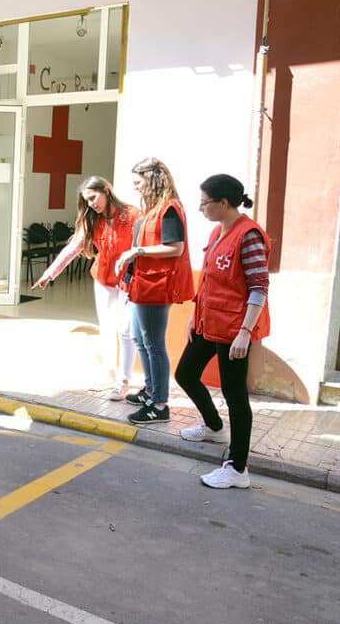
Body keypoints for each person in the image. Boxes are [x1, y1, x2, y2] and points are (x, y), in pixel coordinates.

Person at [175, 175, 269, 489]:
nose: (200, 208)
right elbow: (211, 281)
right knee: (186, 373)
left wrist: (245, 332)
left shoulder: (249, 235)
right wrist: (194, 313)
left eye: (205, 203)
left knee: (235, 396)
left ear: (223, 203)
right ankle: (214, 426)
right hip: (208, 322)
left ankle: (237, 468)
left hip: (233, 329)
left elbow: (258, 288)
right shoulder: (218, 231)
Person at [33, 176, 141, 400]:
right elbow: (73, 247)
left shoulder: (132, 215)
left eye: (94, 197)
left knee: (126, 330)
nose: (91, 203)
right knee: (107, 327)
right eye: (87, 200)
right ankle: (110, 374)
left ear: (106, 191)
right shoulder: (91, 219)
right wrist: (50, 273)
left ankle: (124, 380)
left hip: (127, 279)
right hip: (102, 277)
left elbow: (142, 246)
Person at [114, 157, 195, 425]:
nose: (135, 187)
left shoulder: (169, 209)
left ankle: (159, 404)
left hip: (156, 286)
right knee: (140, 340)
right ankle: (150, 391)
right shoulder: (154, 208)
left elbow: (176, 248)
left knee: (154, 345)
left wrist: (136, 251)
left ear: (151, 179)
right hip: (143, 284)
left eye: (138, 182)